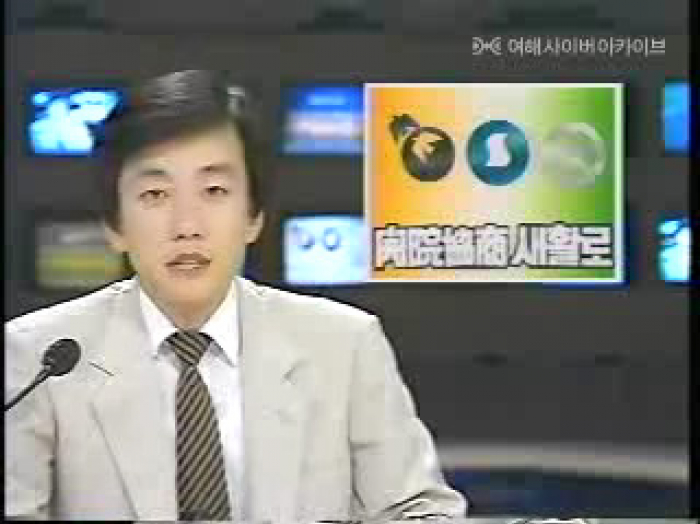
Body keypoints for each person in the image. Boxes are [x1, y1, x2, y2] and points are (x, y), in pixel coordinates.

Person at [5, 70, 467, 521]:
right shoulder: (41, 357)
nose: (187, 225)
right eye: (155, 194)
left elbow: (419, 509)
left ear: (253, 217)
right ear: (115, 226)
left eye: (214, 190)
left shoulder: (344, 346)